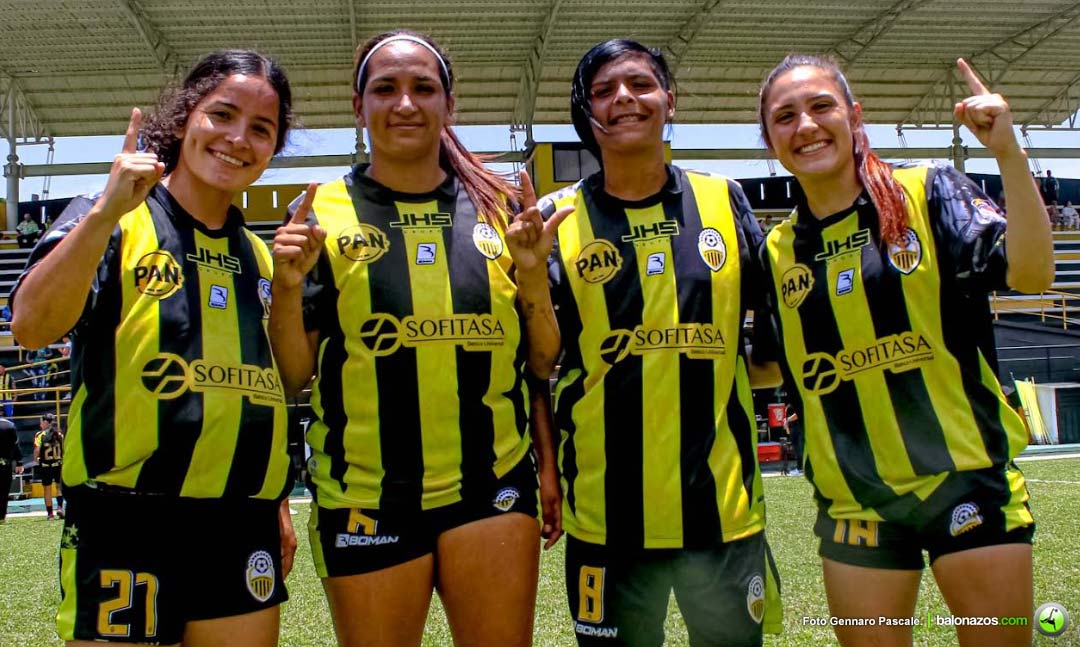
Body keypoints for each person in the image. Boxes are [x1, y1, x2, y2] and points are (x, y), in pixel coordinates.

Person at [269, 30, 565, 647]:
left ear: (448, 105)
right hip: (365, 497)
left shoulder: (500, 208)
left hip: (493, 487)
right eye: (386, 89)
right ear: (359, 107)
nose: (405, 103)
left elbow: (542, 358)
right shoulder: (321, 212)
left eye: (423, 88)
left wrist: (533, 275)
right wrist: (290, 290)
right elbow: (294, 377)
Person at [755, 55, 1053, 647]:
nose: (806, 126)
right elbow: (767, 365)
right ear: (771, 141)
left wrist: (1008, 155)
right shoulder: (776, 251)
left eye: (821, 106)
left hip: (965, 483)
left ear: (855, 116)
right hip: (855, 503)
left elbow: (1034, 273)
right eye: (784, 117)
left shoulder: (927, 191)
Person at [11, 50, 297, 646]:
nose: (238, 139)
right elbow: (31, 327)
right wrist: (107, 211)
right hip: (127, 517)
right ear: (185, 115)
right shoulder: (115, 216)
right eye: (223, 114)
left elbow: (263, 391)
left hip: (239, 524)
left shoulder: (261, 260)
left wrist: (278, 503)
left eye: (261, 129)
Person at [535, 39, 782, 647]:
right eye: (604, 91)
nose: (624, 98)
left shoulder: (725, 201)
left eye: (641, 84)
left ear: (669, 100)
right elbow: (538, 365)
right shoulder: (555, 218)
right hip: (604, 513)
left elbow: (771, 348)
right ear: (587, 113)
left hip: (722, 511)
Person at [34, 413, 63, 519]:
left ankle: (50, 514)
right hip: (58, 463)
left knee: (47, 489)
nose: (40, 424)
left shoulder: (40, 434)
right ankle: (60, 507)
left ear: (46, 422)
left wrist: (36, 459)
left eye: (41, 422)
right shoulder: (59, 434)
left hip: (45, 465)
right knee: (59, 486)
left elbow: (37, 449)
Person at [0, 416, 23, 523]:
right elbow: (16, 444)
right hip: (5, 463)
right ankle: (1, 516)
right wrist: (19, 462)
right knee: (4, 490)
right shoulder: (9, 425)